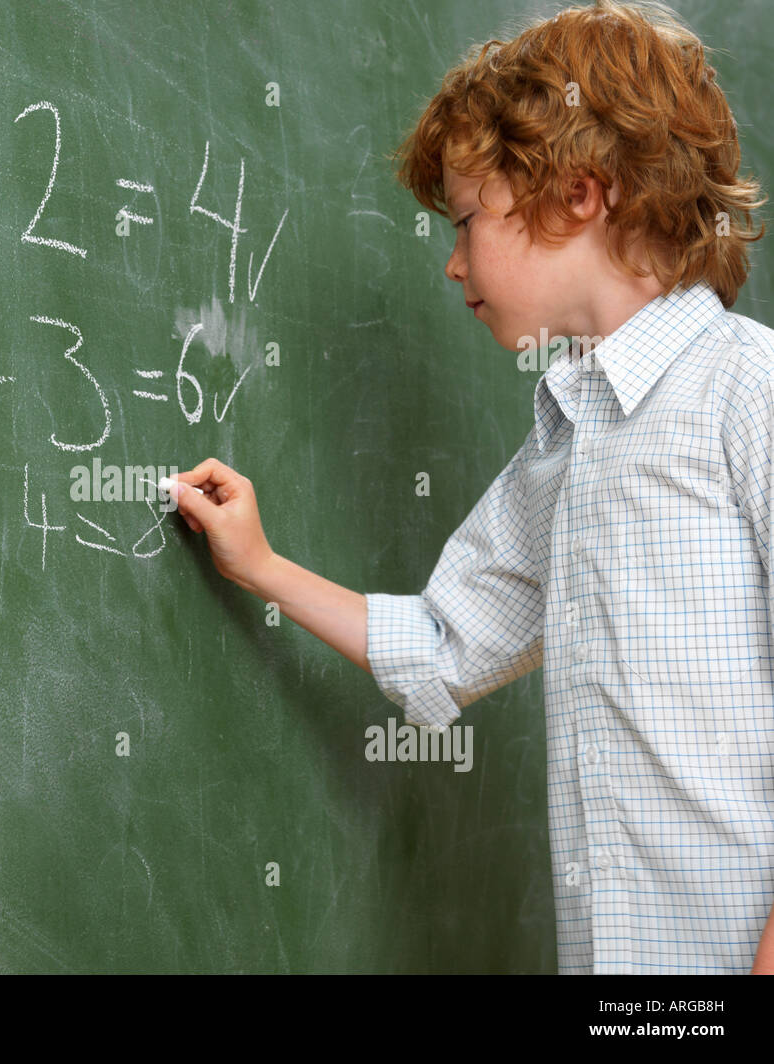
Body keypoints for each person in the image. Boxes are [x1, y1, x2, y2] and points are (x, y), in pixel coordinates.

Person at [166, 0, 773, 975]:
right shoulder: (569, 437)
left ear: (578, 195)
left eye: (464, 220)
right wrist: (264, 567)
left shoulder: (749, 391)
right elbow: (446, 646)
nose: (451, 262)